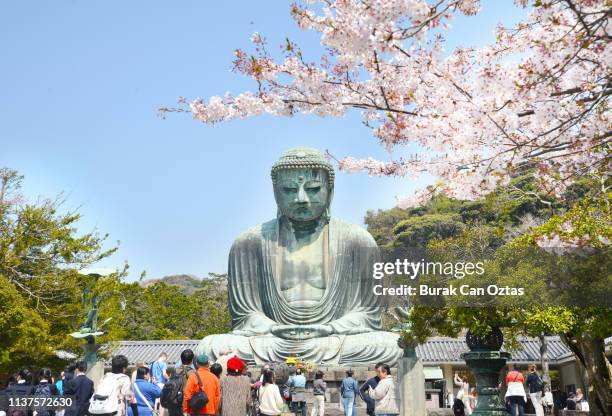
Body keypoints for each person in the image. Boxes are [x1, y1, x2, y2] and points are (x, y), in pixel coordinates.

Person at [164, 349, 195, 416]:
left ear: (181, 359)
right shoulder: (192, 372)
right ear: (192, 360)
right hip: (186, 403)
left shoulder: (175, 371)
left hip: (174, 401)